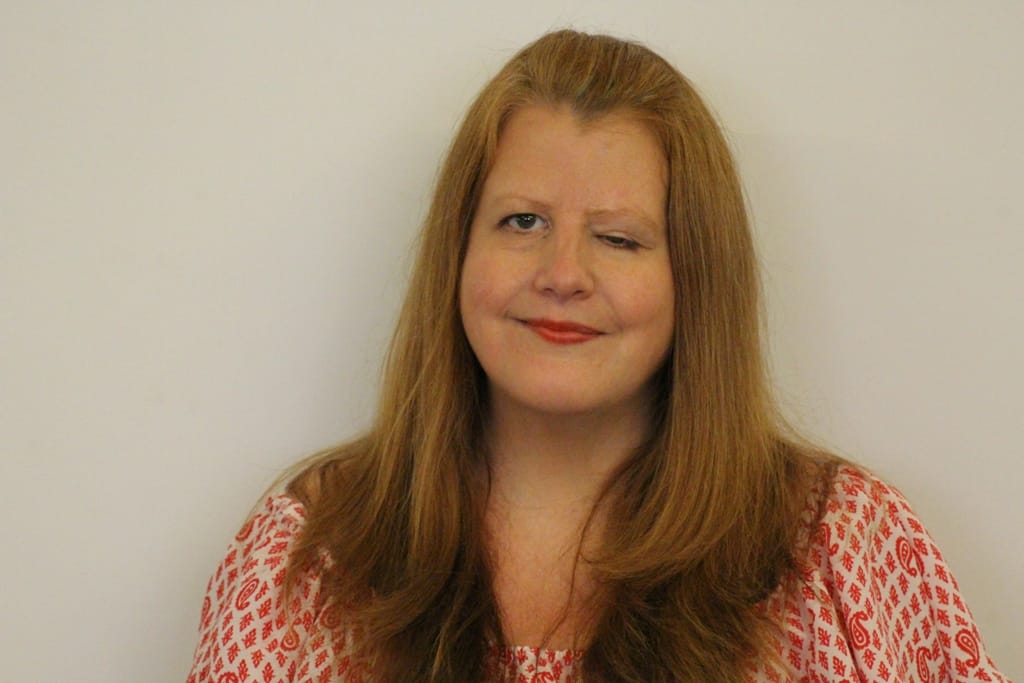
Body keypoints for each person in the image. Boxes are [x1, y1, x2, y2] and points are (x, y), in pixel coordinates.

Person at [186, 30, 1007, 682]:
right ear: (456, 253)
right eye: (522, 222)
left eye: (618, 238)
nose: (563, 275)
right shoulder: (307, 559)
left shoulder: (846, 550)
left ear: (696, 277)